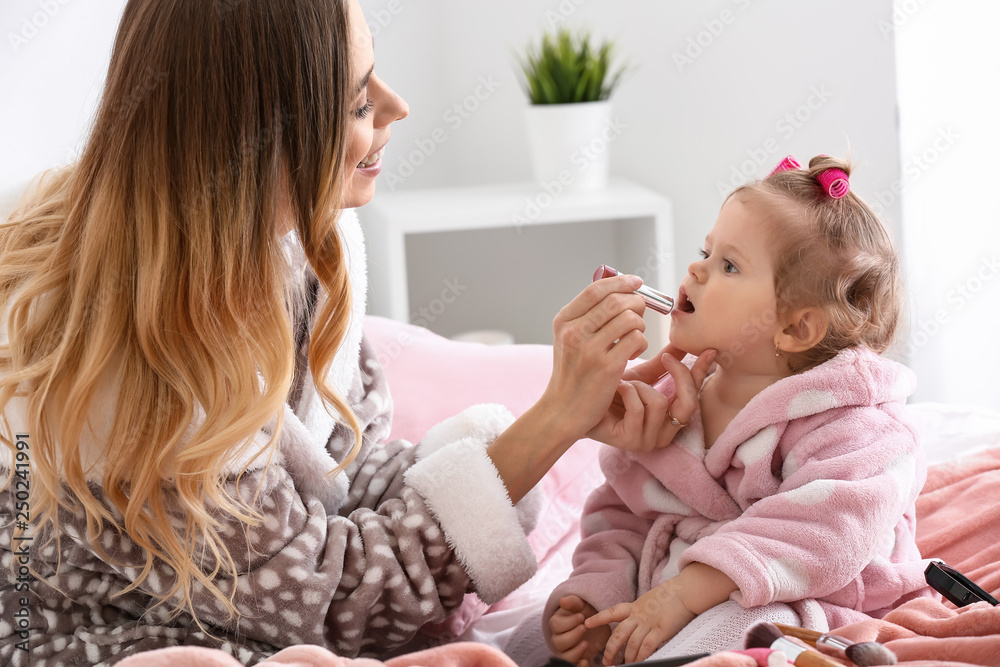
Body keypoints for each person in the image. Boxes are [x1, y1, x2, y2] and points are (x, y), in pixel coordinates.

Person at [0, 1, 652, 664]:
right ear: (260, 138)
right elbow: (335, 603)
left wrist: (531, 433)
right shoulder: (138, 376)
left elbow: (341, 474)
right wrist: (554, 420)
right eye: (358, 103)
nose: (397, 109)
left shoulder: (302, 253)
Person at [544, 155, 931, 666]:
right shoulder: (675, 398)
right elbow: (623, 511)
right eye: (706, 251)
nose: (695, 269)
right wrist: (595, 596)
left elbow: (826, 527)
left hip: (803, 597)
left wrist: (682, 595)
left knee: (749, 627)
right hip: (667, 598)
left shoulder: (856, 427)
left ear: (794, 329)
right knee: (541, 637)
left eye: (729, 265)